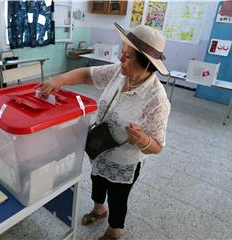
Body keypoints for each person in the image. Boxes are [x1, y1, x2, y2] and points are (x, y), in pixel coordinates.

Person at [40, 23, 171, 240]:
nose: (120, 59)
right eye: (122, 52)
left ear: (145, 64)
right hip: (100, 145)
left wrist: (142, 139)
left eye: (127, 56)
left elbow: (157, 147)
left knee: (118, 197)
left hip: (124, 160)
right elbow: (87, 75)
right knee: (98, 181)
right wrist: (60, 80)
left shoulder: (157, 100)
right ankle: (99, 209)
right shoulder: (119, 73)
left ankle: (114, 230)